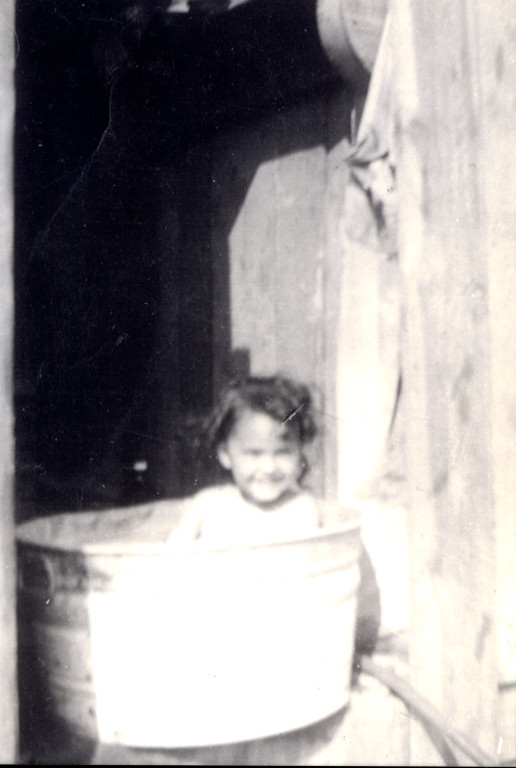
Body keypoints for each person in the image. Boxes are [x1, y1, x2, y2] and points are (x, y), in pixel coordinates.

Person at [170, 374, 323, 546]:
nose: (269, 467)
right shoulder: (206, 506)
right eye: (254, 454)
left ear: (300, 452)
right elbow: (171, 553)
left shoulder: (301, 509)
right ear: (225, 454)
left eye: (282, 453)